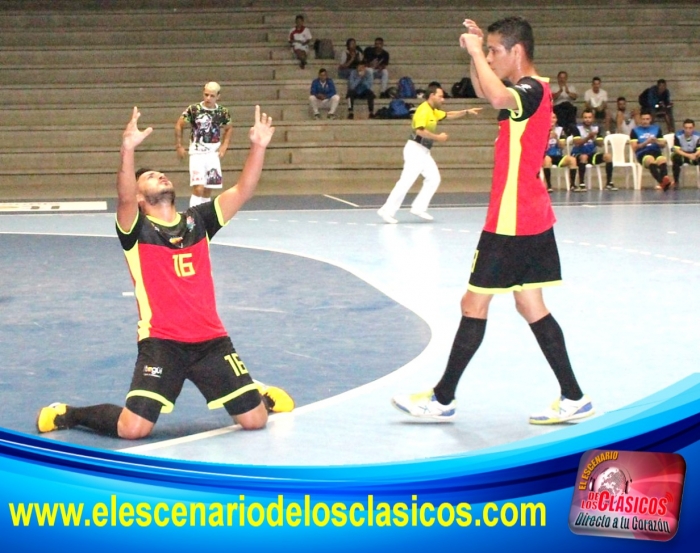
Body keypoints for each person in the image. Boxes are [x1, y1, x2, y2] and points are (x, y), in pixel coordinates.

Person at [36, 106, 294, 439]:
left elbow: (242, 190)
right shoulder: (136, 230)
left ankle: (258, 394)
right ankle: (68, 414)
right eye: (150, 177)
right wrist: (127, 149)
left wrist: (258, 146)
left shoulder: (198, 221)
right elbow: (124, 195)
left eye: (161, 174)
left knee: (255, 421)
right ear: (141, 197)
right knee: (134, 429)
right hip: (162, 343)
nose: (161, 176)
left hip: (211, 340)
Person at [392, 16, 594, 425]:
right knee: (530, 303)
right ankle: (574, 397)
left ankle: (442, 398)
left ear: (516, 51)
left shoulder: (531, 90)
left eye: (495, 51)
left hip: (513, 218)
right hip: (529, 213)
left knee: (473, 302)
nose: (489, 58)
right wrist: (476, 49)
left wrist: (472, 52)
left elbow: (498, 96)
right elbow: (490, 92)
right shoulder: (527, 91)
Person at [377, 84, 480, 223]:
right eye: (440, 96)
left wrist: (466, 111)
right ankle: (386, 211)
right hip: (415, 150)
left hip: (424, 151)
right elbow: (419, 130)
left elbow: (448, 115)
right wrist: (438, 138)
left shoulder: (433, 110)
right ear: (432, 96)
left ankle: (418, 207)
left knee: (434, 178)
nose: (443, 99)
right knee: (406, 181)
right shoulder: (423, 110)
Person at [175, 82, 233, 207]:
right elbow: (179, 124)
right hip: (197, 154)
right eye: (206, 95)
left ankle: (204, 216)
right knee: (198, 188)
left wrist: (224, 145)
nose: (208, 98)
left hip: (212, 154)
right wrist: (179, 145)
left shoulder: (222, 112)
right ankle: (193, 214)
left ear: (218, 96)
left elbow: (228, 128)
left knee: (208, 189)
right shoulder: (193, 109)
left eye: (212, 96)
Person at [570, 109, 616, 191]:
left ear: (593, 118)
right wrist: (588, 137)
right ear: (582, 118)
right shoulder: (576, 128)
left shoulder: (597, 128)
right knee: (584, 157)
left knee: (608, 156)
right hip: (577, 154)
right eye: (585, 117)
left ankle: (609, 183)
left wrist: (594, 138)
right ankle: (582, 184)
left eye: (589, 117)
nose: (587, 119)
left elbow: (600, 144)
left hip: (591, 154)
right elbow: (577, 143)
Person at [630, 109, 670, 190]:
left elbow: (662, 145)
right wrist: (646, 142)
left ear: (650, 119)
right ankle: (662, 182)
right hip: (642, 153)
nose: (645, 121)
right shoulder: (635, 131)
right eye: (643, 119)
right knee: (650, 160)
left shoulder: (656, 129)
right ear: (640, 119)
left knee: (662, 160)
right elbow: (634, 147)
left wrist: (656, 141)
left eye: (647, 119)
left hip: (656, 151)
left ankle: (664, 181)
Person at [542, 112, 577, 193]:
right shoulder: (541, 129)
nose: (552, 120)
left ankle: (572, 185)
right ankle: (549, 186)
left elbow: (562, 146)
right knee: (547, 159)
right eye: (550, 118)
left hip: (558, 156)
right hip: (545, 156)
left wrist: (556, 138)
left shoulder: (560, 130)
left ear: (556, 120)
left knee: (572, 160)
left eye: (554, 118)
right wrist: (546, 138)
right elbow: (538, 146)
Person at [670, 118, 700, 188]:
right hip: (682, 154)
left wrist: (694, 155)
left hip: (693, 155)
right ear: (683, 128)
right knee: (675, 159)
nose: (688, 130)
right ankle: (676, 181)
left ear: (693, 128)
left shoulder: (698, 136)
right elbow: (676, 149)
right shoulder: (678, 135)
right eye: (686, 128)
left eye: (690, 128)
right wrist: (688, 155)